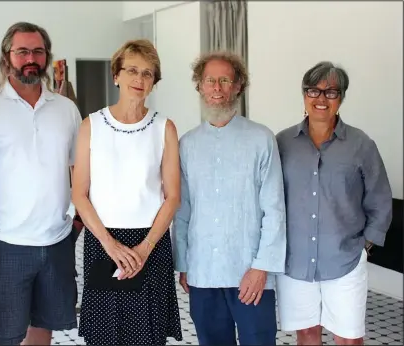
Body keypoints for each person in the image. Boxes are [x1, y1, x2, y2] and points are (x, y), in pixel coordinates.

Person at [0, 22, 82, 346]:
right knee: (5, 334)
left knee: (44, 328)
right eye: (22, 51)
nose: (31, 58)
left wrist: (77, 222)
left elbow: (80, 169)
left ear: (46, 57)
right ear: (6, 57)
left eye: (38, 51)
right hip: (4, 242)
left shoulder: (66, 110)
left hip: (56, 242)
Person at [72, 39, 183, 346]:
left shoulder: (164, 128)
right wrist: (111, 246)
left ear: (154, 83)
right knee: (105, 335)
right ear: (116, 75)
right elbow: (79, 193)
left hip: (151, 243)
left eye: (148, 73)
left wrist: (145, 248)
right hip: (104, 243)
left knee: (148, 336)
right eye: (132, 70)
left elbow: (172, 196)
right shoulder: (91, 125)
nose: (139, 79)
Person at [172, 51, 287, 346]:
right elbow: (182, 210)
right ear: (200, 86)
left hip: (250, 274)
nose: (217, 88)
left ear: (238, 87)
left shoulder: (262, 139)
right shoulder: (187, 144)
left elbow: (274, 209)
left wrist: (262, 267)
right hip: (203, 273)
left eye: (225, 80)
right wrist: (184, 263)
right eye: (210, 80)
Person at [275, 61, 393, 345]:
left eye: (331, 92)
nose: (321, 99)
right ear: (304, 95)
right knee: (307, 334)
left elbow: (380, 198)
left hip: (345, 260)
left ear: (341, 98)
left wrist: (365, 247)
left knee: (349, 339)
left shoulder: (360, 144)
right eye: (314, 90)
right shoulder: (282, 143)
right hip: (295, 262)